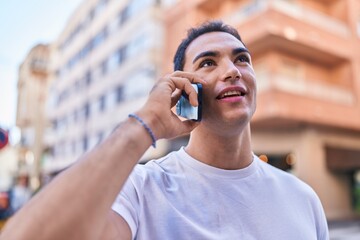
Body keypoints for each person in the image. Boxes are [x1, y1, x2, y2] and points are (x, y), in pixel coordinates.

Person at [0, 20, 329, 240]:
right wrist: (145, 124)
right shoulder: (140, 189)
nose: (232, 71)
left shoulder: (303, 199)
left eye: (242, 59)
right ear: (184, 87)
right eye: (208, 62)